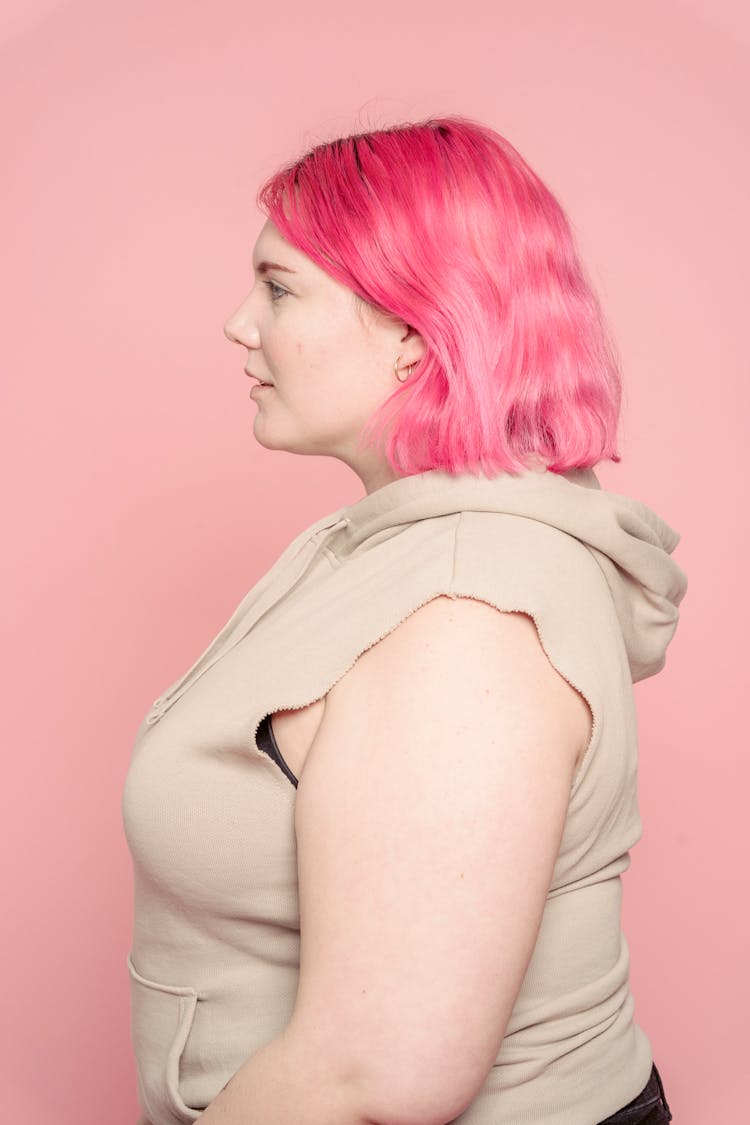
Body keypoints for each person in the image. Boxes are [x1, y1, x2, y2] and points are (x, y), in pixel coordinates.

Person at [122, 115, 685, 1125]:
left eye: (280, 288)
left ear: (420, 332)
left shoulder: (465, 608)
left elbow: (373, 1080)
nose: (238, 324)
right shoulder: (394, 545)